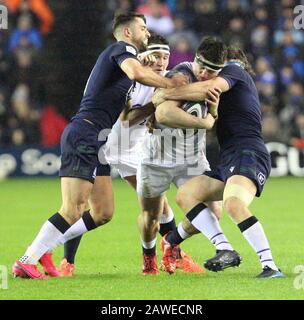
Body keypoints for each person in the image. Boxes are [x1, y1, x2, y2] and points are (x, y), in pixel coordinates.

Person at [12, 12, 186, 280]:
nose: (147, 34)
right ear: (127, 32)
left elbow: (133, 71)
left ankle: (45, 250)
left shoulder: (124, 57)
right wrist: (169, 84)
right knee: (72, 208)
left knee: (103, 212)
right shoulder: (122, 48)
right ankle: (27, 259)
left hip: (97, 138)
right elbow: (135, 72)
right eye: (143, 28)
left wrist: (145, 60)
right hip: (86, 132)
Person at [59, 34, 200, 276]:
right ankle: (62, 255)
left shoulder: (164, 80)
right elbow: (126, 120)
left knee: (146, 208)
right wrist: (156, 105)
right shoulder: (130, 77)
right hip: (112, 145)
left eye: (166, 56)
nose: (161, 61)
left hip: (136, 147)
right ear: (144, 55)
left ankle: (168, 256)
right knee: (95, 209)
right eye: (156, 55)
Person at [152, 45, 284, 278]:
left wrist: (166, 93)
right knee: (186, 195)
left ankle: (270, 266)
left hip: (248, 152)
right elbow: (212, 119)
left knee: (233, 203)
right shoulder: (231, 90)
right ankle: (196, 244)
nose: (212, 72)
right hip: (229, 158)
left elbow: (210, 87)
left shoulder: (235, 71)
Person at [136, 37, 227, 275]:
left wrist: (213, 111)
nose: (206, 74)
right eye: (203, 67)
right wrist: (204, 122)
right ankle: (148, 255)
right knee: (150, 218)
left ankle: (172, 243)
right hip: (157, 159)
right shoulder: (181, 76)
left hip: (191, 160)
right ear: (195, 59)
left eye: (212, 71)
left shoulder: (219, 81)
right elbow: (164, 114)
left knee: (214, 211)